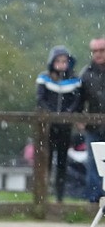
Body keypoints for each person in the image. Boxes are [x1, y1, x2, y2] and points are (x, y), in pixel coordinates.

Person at [35, 45, 82, 202]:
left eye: (64, 61)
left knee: (62, 162)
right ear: (52, 62)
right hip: (48, 127)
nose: (61, 64)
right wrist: (52, 115)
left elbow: (76, 101)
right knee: (45, 160)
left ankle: (59, 197)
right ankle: (42, 195)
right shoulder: (44, 78)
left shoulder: (74, 80)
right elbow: (41, 99)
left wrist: (67, 114)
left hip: (65, 127)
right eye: (58, 61)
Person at [78, 36, 105, 202]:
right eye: (95, 51)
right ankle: (94, 201)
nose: (98, 54)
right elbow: (78, 99)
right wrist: (79, 118)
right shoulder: (86, 73)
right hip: (93, 127)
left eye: (101, 50)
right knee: (93, 164)